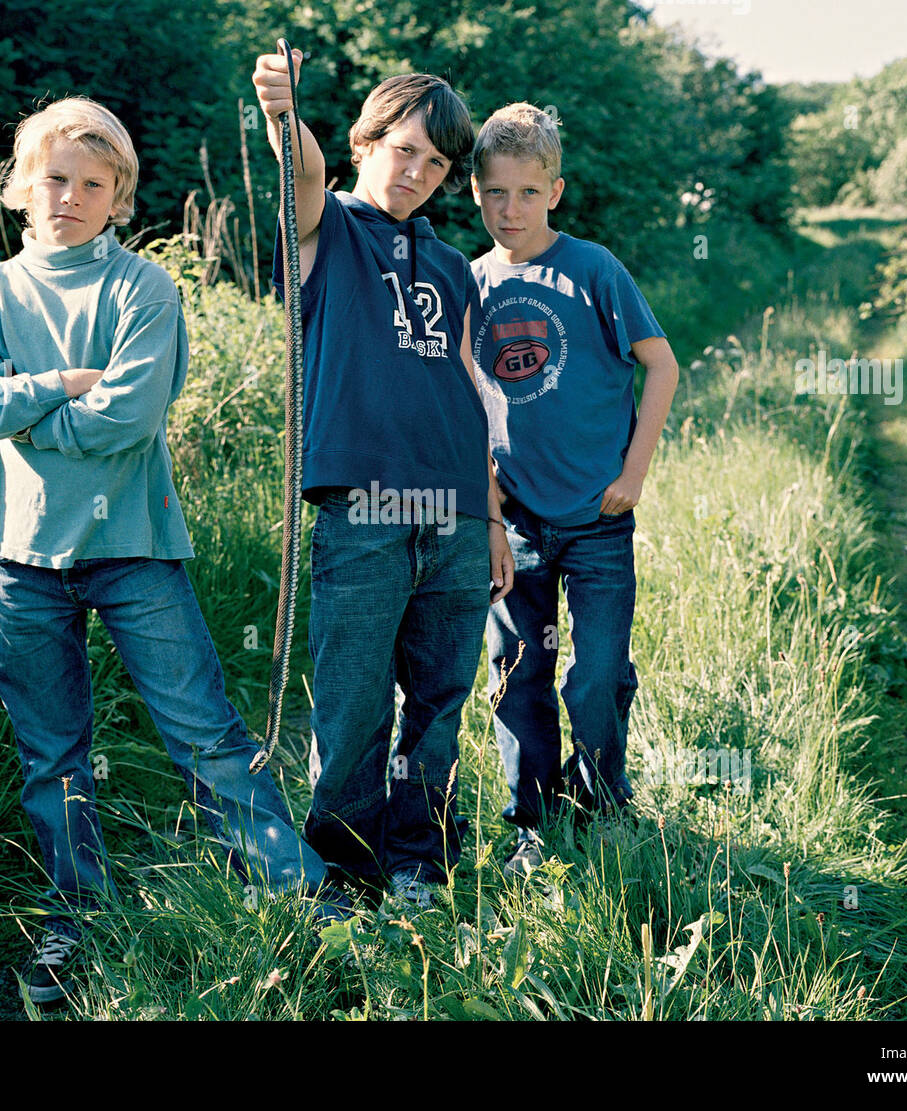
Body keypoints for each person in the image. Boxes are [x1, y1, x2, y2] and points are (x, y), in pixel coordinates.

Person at [0, 96, 333, 1003]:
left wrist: (18, 403)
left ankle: (297, 894)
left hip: (132, 544)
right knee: (52, 753)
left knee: (206, 734)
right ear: (22, 186)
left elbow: (127, 419)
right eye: (53, 178)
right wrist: (60, 382)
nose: (69, 195)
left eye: (92, 183)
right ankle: (78, 916)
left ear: (119, 196)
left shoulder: (143, 290)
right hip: (17, 555)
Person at [251, 47, 514, 912]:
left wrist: (489, 516)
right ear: (367, 142)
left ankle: (419, 858)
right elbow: (301, 181)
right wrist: (285, 116)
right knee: (354, 703)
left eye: (436, 163)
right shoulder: (328, 233)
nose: (417, 172)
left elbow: (473, 397)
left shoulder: (451, 269)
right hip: (361, 509)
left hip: (452, 517)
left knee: (438, 703)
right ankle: (343, 870)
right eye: (403, 149)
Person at [467, 103, 679, 878]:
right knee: (518, 670)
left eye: (526, 192)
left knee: (594, 673)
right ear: (475, 192)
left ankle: (602, 796)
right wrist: (488, 513)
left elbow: (661, 365)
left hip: (596, 517)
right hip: (515, 520)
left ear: (555, 190)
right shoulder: (472, 283)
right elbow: (467, 409)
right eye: (494, 192)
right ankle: (531, 817)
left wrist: (634, 472)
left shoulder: (593, 269)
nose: (510, 209)